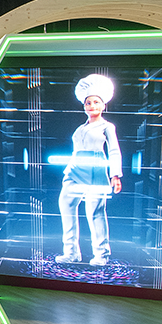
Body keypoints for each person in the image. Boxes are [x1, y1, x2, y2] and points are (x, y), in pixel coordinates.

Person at [55, 74, 122, 266]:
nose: (92, 106)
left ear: (103, 105)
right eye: (88, 103)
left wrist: (115, 175)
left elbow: (114, 150)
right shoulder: (80, 128)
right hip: (75, 169)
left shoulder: (107, 126)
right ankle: (71, 252)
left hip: (95, 170)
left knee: (95, 212)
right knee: (66, 205)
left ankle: (101, 254)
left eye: (96, 102)